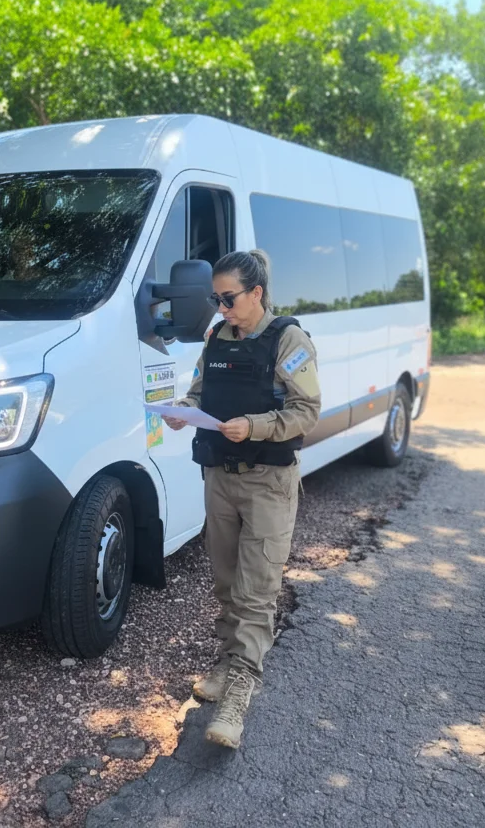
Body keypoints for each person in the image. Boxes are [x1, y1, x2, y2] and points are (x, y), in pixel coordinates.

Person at [164, 249, 321, 748]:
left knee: (256, 591)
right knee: (227, 583)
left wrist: (254, 426)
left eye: (228, 298)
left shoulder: (288, 340)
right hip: (220, 478)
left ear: (257, 293)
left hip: (268, 483)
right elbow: (200, 392)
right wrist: (183, 410)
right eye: (216, 299)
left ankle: (239, 691)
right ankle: (229, 660)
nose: (221, 308)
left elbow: (306, 410)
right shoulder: (217, 338)